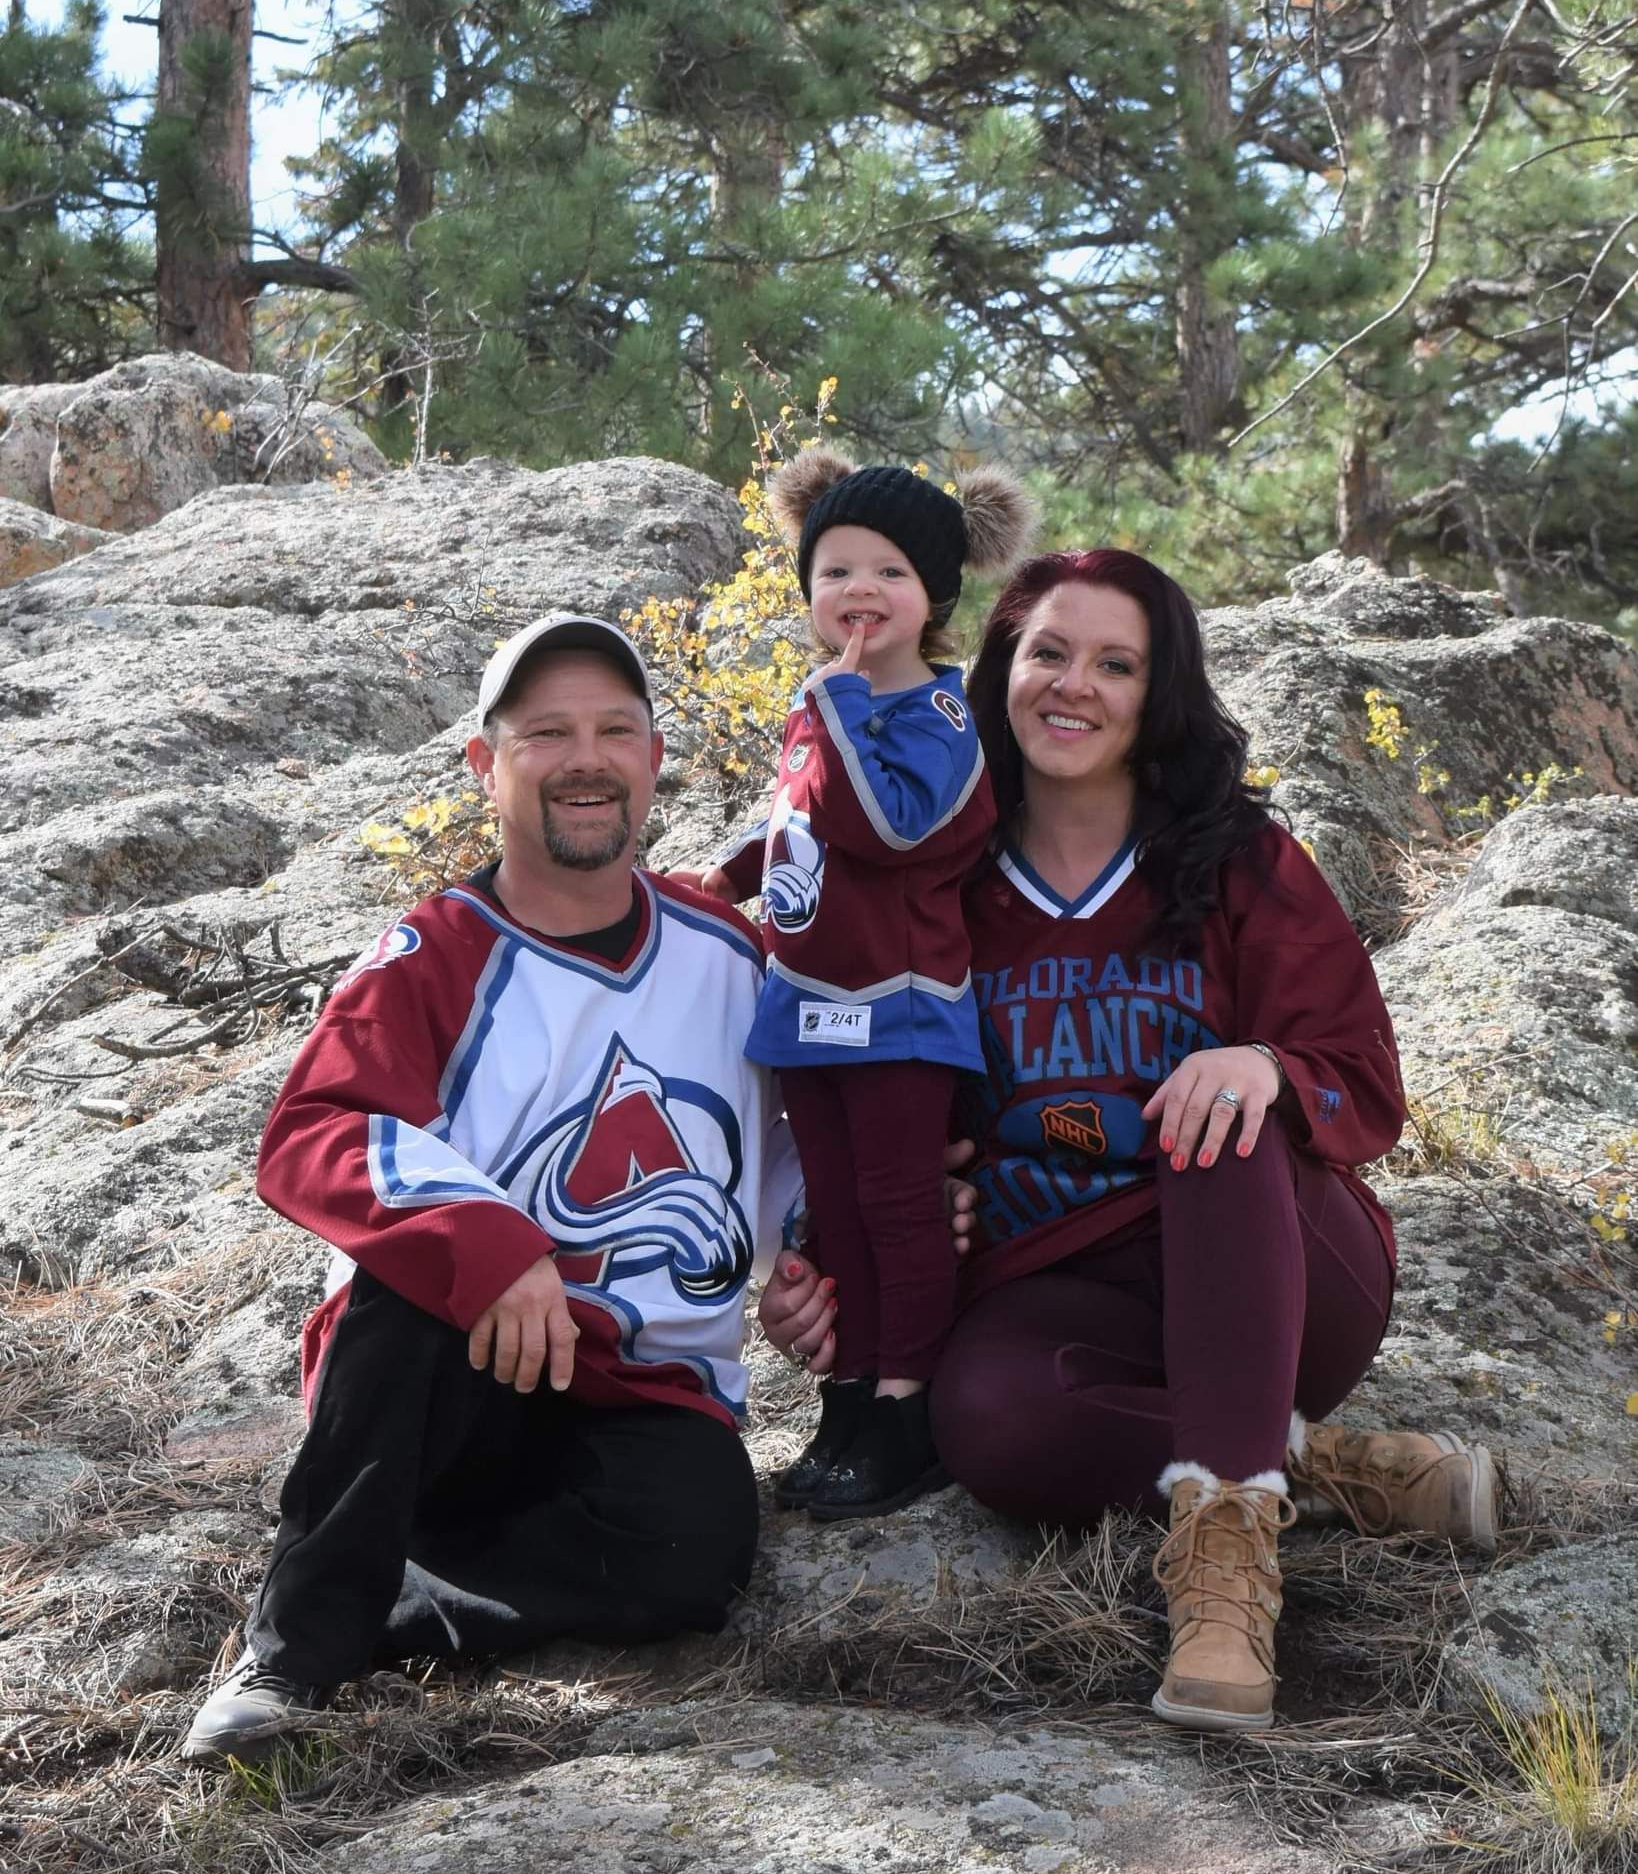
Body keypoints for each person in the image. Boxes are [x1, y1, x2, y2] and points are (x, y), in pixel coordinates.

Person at [762, 548, 1498, 1734]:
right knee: (987, 1424)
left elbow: (1361, 1078)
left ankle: (1225, 1550)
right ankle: (1321, 1462)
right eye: (1049, 652)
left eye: (1118, 663)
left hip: (1280, 1265)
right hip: (1059, 1283)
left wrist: (1260, 1062)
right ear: (999, 669)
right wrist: (844, 1245)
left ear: (1159, 694)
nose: (1076, 685)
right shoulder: (935, 875)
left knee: (1217, 1119)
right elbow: (866, 1082)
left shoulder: (1240, 859)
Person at [183, 612, 811, 1764]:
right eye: (548, 732)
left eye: (617, 729)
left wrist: (813, 1260)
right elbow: (315, 1130)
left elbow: (786, 1146)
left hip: (642, 1389)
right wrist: (493, 1243)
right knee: (401, 1288)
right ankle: (290, 1655)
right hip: (455, 1376)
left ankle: (392, 1601)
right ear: (488, 764)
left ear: (653, 758)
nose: (588, 757)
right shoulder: (436, 952)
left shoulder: (728, 952)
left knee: (699, 1550)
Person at [675, 452, 1033, 1520]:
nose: (858, 591)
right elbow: (801, 822)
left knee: (897, 1205)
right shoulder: (821, 703)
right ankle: (848, 1396)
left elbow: (895, 826)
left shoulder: (941, 715)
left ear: (935, 597)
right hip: (807, 1005)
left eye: (888, 570)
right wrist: (732, 873)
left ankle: (905, 1399)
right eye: (834, 570)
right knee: (835, 1210)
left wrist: (834, 710)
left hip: (902, 1010)